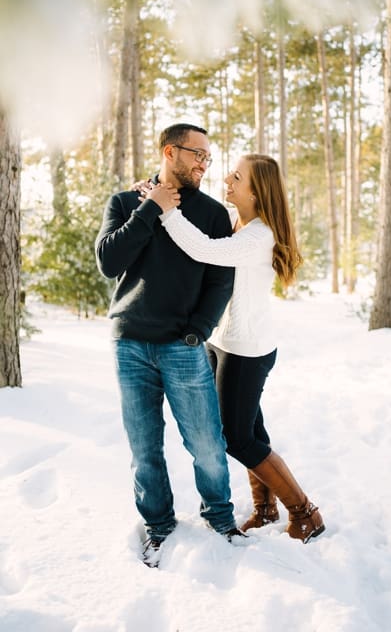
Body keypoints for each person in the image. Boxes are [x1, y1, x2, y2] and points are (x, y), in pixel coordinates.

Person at [139, 153, 325, 543]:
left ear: (256, 193)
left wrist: (167, 214)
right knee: (250, 432)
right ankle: (264, 508)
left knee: (236, 438)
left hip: (247, 351)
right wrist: (156, 195)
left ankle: (305, 512)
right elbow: (200, 221)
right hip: (222, 343)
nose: (228, 178)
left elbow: (205, 249)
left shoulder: (259, 235)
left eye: (237, 177)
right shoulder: (235, 220)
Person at [95, 123, 245, 567]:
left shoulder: (214, 214)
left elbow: (221, 276)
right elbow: (109, 261)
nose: (204, 164)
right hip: (130, 344)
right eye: (197, 154)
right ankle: (159, 526)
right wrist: (151, 208)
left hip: (183, 345)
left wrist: (200, 328)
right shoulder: (125, 202)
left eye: (208, 158)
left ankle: (220, 519)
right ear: (169, 151)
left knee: (205, 442)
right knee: (144, 447)